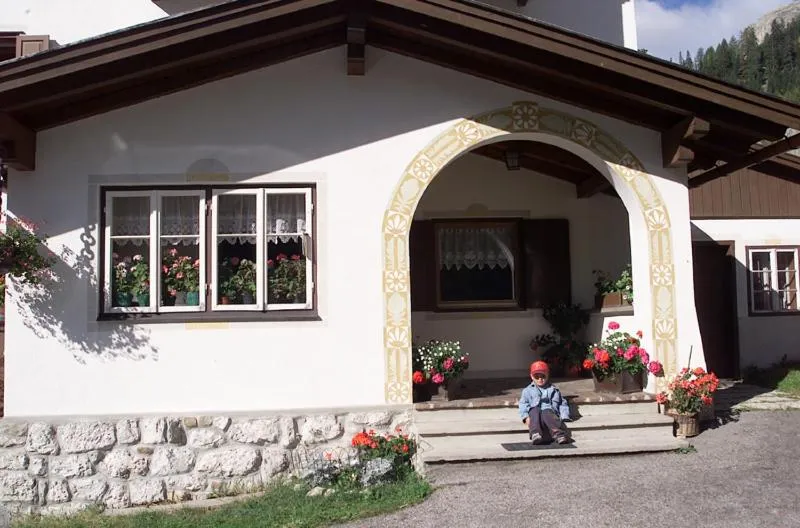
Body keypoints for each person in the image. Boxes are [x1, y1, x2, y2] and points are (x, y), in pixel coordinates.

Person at [519, 361, 572, 445]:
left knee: (546, 411)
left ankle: (558, 434)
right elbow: (523, 404)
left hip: (550, 417)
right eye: (537, 377)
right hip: (536, 419)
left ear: (547, 375)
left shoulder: (554, 390)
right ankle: (535, 434)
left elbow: (562, 404)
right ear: (532, 377)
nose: (540, 379)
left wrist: (564, 416)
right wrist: (525, 417)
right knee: (534, 410)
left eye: (543, 376)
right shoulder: (527, 391)